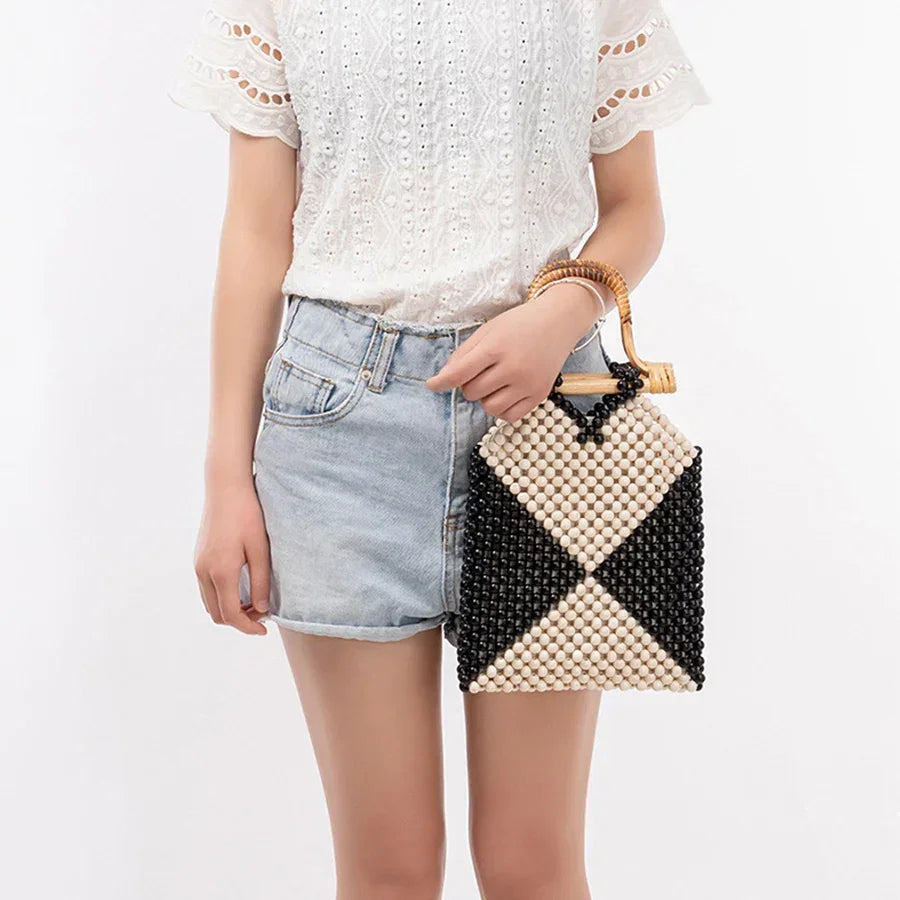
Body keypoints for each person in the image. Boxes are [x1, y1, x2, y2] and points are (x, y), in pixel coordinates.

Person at [169, 1, 706, 897]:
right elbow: (257, 232)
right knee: (389, 874)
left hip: (549, 420)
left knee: (533, 866)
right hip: (341, 433)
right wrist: (227, 479)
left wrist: (560, 312)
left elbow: (636, 210)